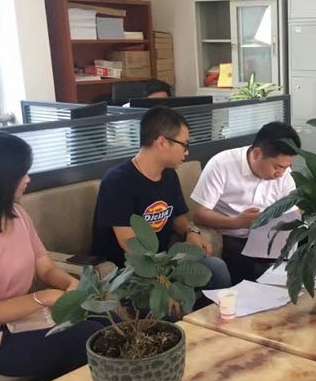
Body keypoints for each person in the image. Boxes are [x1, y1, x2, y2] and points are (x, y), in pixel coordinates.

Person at [0, 131, 105, 379]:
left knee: (107, 318)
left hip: (22, 314)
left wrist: (72, 285)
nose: (28, 179)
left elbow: (45, 267)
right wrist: (45, 297)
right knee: (88, 337)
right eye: (21, 173)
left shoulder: (16, 213)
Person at [91, 106, 230, 293]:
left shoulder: (169, 175)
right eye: (184, 145)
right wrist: (162, 281)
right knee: (170, 296)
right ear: (162, 142)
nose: (186, 152)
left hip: (164, 261)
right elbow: (130, 244)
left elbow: (177, 217)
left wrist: (191, 231)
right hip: (127, 269)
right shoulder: (118, 181)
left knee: (217, 268)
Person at [190, 121, 300, 284]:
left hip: (268, 238)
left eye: (286, 167)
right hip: (232, 235)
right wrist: (237, 222)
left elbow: (292, 211)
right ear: (257, 154)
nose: (281, 173)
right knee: (243, 265)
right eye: (277, 167)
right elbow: (199, 215)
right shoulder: (222, 165)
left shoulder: (285, 175)